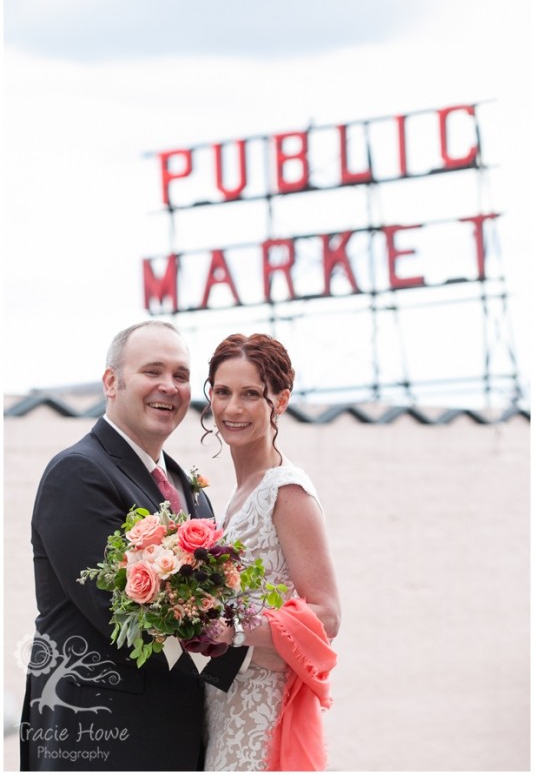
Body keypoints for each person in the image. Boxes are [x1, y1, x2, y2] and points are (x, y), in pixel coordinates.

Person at [20, 320, 248, 771]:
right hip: (101, 737)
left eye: (181, 376)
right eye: (153, 371)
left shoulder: (190, 487)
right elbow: (123, 617)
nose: (169, 386)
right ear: (111, 382)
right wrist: (250, 660)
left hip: (177, 738)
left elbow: (217, 601)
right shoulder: (78, 474)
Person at [200, 333, 341, 771]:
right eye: (222, 392)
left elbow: (328, 615)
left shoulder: (286, 491)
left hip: (263, 709)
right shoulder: (240, 492)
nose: (232, 409)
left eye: (250, 395)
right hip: (223, 700)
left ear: (279, 401)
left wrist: (234, 631)